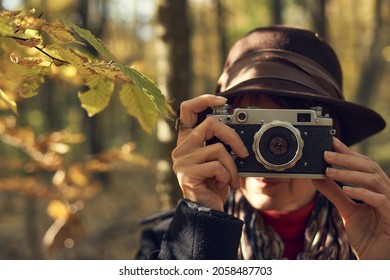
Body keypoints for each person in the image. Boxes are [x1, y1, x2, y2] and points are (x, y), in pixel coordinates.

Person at [135, 26, 390, 260]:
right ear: (218, 132)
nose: (268, 151)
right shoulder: (169, 243)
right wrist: (200, 229)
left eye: (288, 135)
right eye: (249, 128)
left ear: (331, 137)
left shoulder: (379, 228)